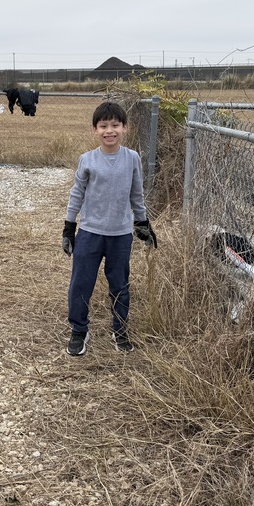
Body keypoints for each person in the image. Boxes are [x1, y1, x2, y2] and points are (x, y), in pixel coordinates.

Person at [61, 101, 157, 356]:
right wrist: (69, 227)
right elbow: (76, 194)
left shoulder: (132, 158)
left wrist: (142, 223)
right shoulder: (87, 160)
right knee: (81, 284)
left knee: (120, 285)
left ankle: (120, 330)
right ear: (95, 130)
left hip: (120, 235)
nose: (109, 131)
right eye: (103, 126)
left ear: (124, 128)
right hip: (90, 233)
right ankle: (79, 330)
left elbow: (137, 195)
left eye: (115, 125)